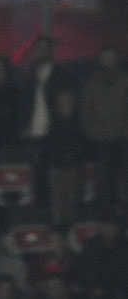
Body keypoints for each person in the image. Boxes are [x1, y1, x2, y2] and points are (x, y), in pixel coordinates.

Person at [20, 34, 73, 206]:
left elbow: (66, 107)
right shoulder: (29, 76)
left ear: (51, 52)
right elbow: (24, 104)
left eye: (45, 49)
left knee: (55, 178)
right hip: (33, 134)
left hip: (54, 134)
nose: (41, 53)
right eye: (38, 49)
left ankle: (54, 217)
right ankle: (41, 213)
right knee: (37, 177)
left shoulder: (61, 76)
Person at [80, 46, 128, 209]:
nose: (109, 62)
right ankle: (108, 215)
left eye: (111, 58)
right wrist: (92, 132)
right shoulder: (92, 83)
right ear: (100, 61)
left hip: (124, 138)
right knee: (104, 180)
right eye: (105, 59)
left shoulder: (126, 80)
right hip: (102, 140)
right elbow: (85, 110)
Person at [46, 88, 90, 228]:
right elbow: (49, 147)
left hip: (72, 167)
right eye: (62, 102)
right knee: (58, 202)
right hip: (56, 168)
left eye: (68, 102)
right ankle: (59, 233)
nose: (66, 106)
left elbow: (82, 147)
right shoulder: (53, 125)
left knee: (72, 201)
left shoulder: (79, 124)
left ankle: (72, 232)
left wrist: (73, 158)